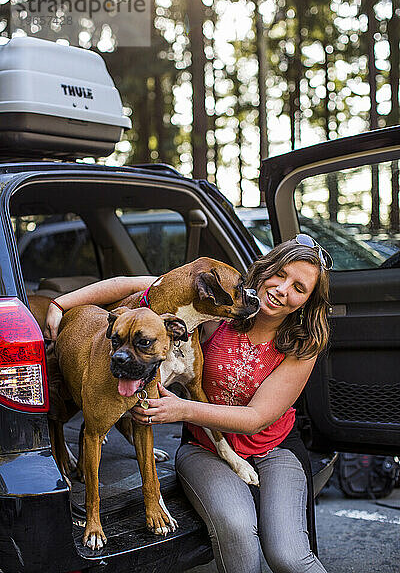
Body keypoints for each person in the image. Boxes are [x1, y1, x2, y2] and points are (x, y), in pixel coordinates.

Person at [44, 235, 332, 573]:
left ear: (308, 301)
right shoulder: (217, 308)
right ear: (266, 270)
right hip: (204, 447)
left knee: (288, 556)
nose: (283, 289)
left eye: (299, 288)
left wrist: (181, 409)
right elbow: (125, 285)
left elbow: (256, 418)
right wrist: (61, 304)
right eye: (280, 275)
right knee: (238, 533)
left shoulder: (303, 344)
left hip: (273, 448)